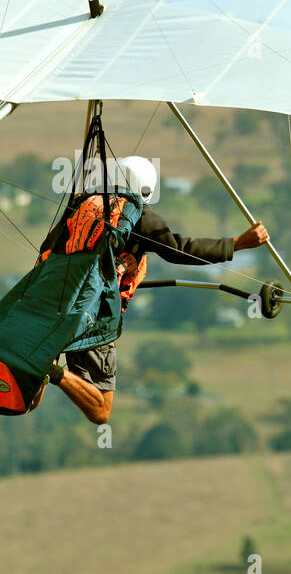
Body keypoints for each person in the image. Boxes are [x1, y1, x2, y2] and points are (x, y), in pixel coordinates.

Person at [42, 155, 269, 424]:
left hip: (53, 306)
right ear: (147, 189)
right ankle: (53, 372)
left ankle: (39, 365)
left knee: (33, 397)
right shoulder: (138, 216)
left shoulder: (84, 206)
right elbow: (181, 250)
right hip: (92, 319)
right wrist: (237, 243)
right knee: (101, 412)